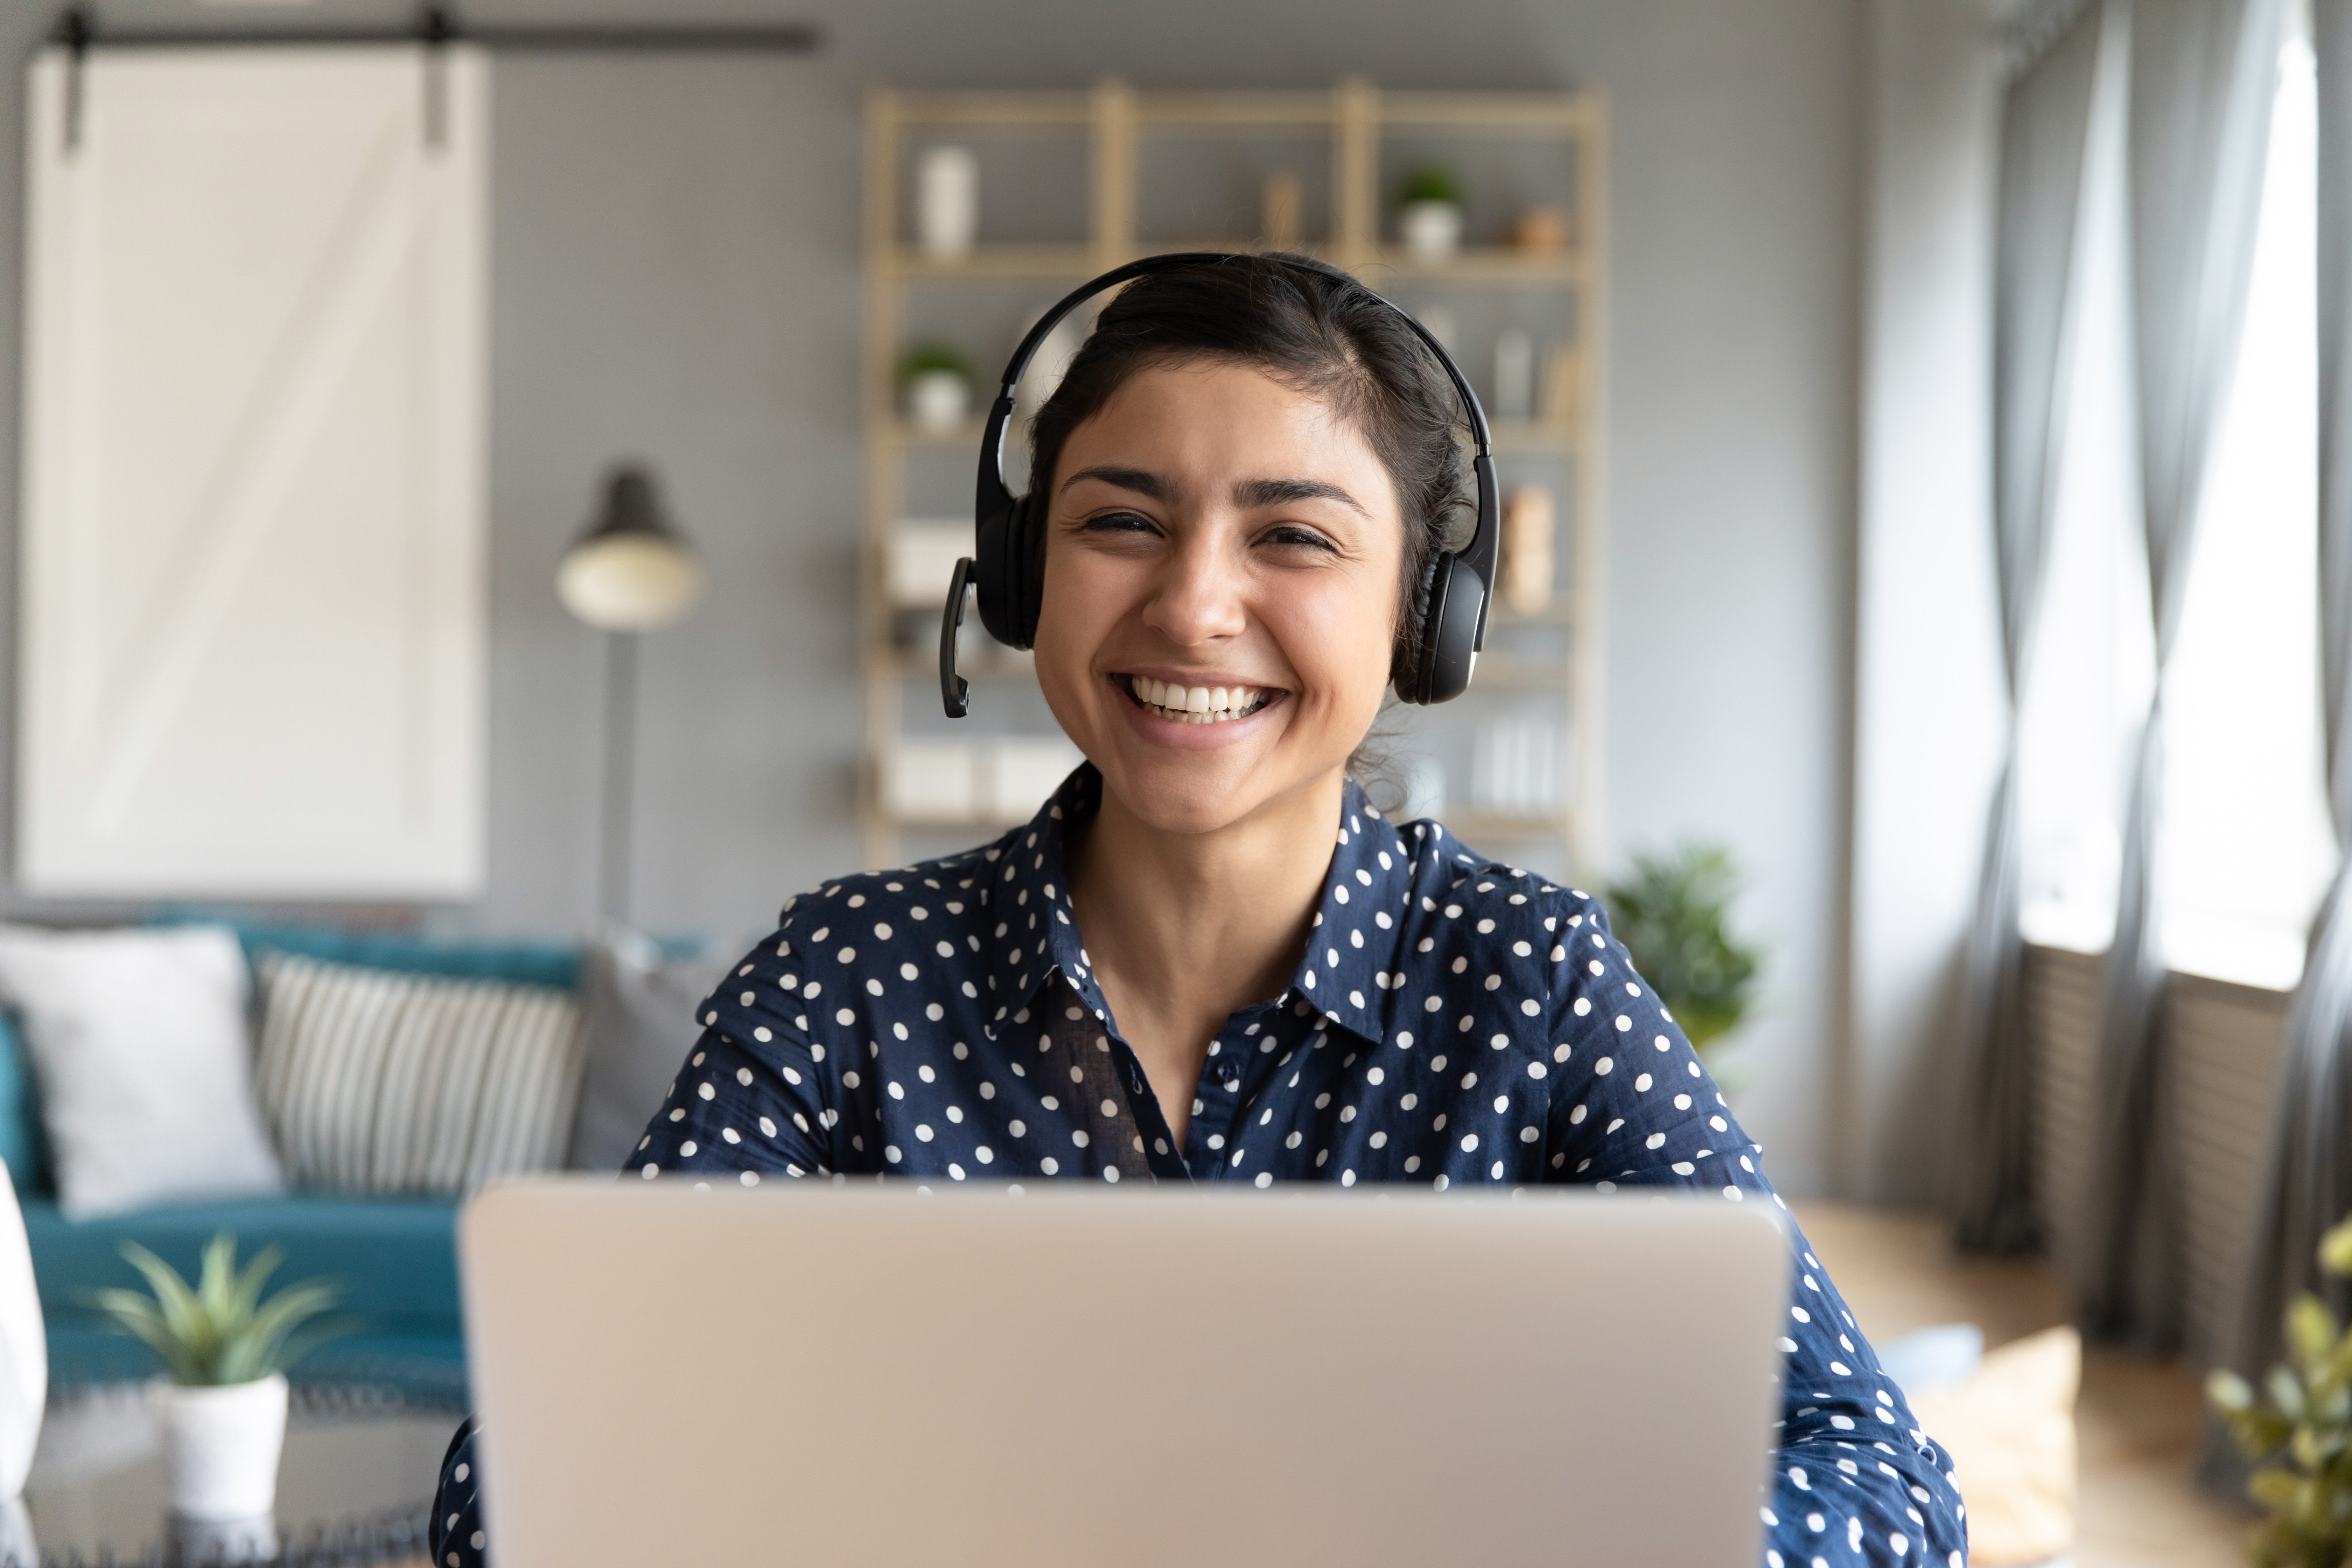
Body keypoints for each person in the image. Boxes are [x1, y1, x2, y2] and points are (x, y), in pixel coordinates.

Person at [431, 254, 1967, 1568]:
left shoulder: (1534, 981)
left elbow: (1883, 1479)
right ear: (1026, 572)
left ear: (1423, 622)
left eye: (1293, 536)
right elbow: (516, 1488)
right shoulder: (848, 976)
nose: (1193, 604)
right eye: (1122, 520)